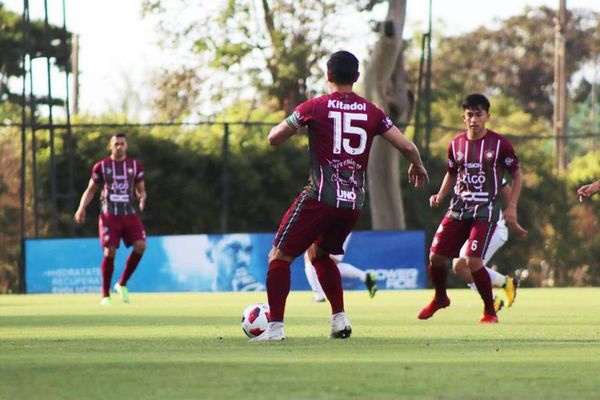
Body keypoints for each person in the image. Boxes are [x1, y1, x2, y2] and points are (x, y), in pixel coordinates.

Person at [251, 50, 428, 341]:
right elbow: (407, 147)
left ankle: (275, 328)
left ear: (328, 75)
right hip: (353, 203)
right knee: (320, 255)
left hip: (320, 197)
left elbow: (274, 138)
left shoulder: (316, 106)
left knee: (279, 257)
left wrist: (289, 125)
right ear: (356, 77)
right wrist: (418, 166)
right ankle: (339, 320)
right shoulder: (372, 112)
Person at [419, 93, 523, 323]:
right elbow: (452, 173)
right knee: (435, 256)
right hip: (458, 209)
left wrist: (512, 206)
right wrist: (440, 195)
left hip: (485, 212)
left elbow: (516, 175)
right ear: (463, 117)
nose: (474, 119)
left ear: (487, 116)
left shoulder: (499, 144)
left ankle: (490, 311)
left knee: (473, 262)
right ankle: (440, 298)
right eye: (469, 115)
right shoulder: (456, 144)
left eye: (478, 114)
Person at [74, 133, 147, 305]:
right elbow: (91, 190)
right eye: (116, 144)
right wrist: (81, 208)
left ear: (126, 146)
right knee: (110, 250)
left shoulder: (135, 166)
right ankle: (105, 294)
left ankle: (122, 284)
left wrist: (142, 197)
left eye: (122, 143)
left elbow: (141, 189)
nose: (119, 147)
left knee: (141, 245)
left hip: (129, 214)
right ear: (111, 146)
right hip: (109, 215)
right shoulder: (102, 166)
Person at [450, 181, 528, 311]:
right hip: (477, 230)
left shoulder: (486, 164)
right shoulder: (458, 170)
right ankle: (506, 284)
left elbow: (506, 189)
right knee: (459, 265)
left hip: (493, 228)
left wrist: (512, 218)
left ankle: (493, 300)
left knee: (469, 265)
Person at [304, 235, 377, 301]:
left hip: (332, 226)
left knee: (312, 258)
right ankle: (365, 276)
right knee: (322, 260)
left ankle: (319, 296)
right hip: (340, 225)